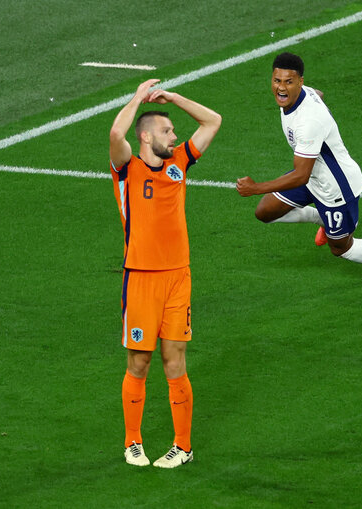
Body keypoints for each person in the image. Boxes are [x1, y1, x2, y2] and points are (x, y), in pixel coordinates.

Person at [109, 79, 222, 466]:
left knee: (175, 361)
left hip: (178, 276)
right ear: (144, 136)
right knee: (139, 362)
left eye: (173, 131)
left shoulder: (180, 163)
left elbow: (213, 122)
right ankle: (133, 443)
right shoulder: (127, 169)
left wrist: (173, 98)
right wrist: (137, 99)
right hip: (140, 277)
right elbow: (115, 132)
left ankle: (183, 447)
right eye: (166, 130)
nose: (174, 136)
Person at [236, 52, 362, 282]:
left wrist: (256, 188)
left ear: (300, 81)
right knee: (265, 213)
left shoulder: (308, 123)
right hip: (312, 176)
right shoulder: (301, 95)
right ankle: (322, 219)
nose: (281, 88)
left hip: (335, 188)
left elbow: (300, 175)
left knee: (341, 249)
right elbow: (318, 94)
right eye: (277, 81)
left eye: (289, 82)